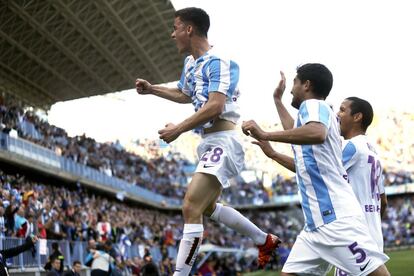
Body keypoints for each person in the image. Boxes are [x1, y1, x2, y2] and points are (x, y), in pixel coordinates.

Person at [136, 7, 279, 275]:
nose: (172, 33)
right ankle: (264, 240)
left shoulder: (220, 62)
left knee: (191, 206)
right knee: (208, 207)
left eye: (175, 27)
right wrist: (152, 89)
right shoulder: (191, 64)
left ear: (189, 29)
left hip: (224, 141)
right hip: (209, 142)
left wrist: (178, 128)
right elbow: (184, 93)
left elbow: (215, 106)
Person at [242, 63, 390, 275]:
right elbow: (298, 132)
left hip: (336, 220)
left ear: (307, 85)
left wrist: (265, 134)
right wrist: (277, 102)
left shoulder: (314, 105)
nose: (291, 89)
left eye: (294, 82)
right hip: (314, 228)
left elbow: (316, 132)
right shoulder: (317, 114)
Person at [334, 97, 388, 275]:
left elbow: (319, 171)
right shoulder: (373, 150)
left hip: (355, 239)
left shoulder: (352, 147)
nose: (337, 115)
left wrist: (272, 153)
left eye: (342, 110)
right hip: (374, 237)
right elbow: (384, 202)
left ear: (357, 117)